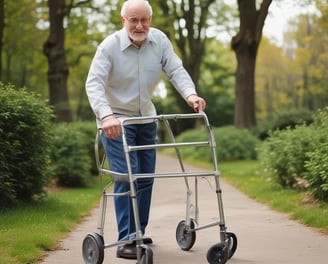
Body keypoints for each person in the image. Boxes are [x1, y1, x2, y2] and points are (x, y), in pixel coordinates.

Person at [85, 0, 206, 260]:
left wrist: (191, 95)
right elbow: (94, 84)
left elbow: (175, 69)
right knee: (126, 177)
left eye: (144, 20)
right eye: (134, 20)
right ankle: (126, 240)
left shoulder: (159, 41)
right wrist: (106, 116)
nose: (140, 26)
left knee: (146, 178)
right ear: (123, 20)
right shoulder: (109, 47)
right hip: (116, 121)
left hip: (146, 120)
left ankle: (138, 232)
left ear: (150, 20)